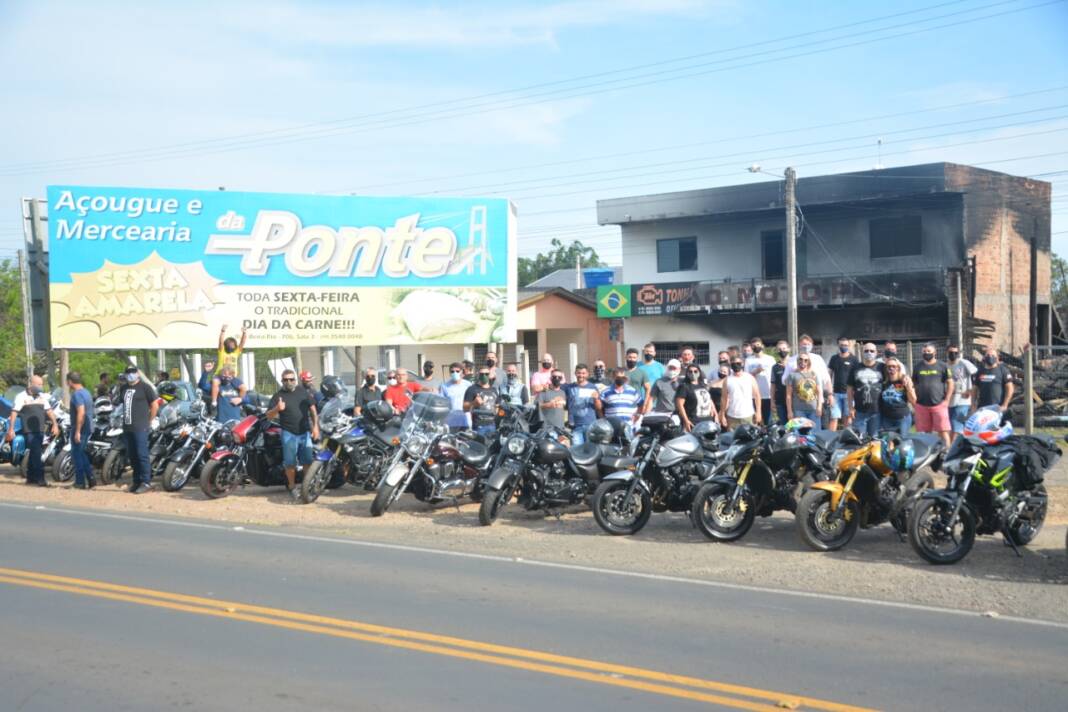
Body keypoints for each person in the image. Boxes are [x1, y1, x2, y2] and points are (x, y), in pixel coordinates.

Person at [266, 369, 318, 501]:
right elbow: (268, 416)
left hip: (304, 432)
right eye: (285, 380)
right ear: (282, 381)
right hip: (288, 433)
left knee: (307, 461)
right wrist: (277, 409)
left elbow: (312, 409)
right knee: (290, 463)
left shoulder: (303, 392)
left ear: (295, 380)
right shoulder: (278, 396)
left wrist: (316, 426)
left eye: (291, 379)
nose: (289, 382)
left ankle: (307, 486)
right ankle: (292, 487)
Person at [6, 375, 60, 487]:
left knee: (33, 454)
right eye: (39, 384)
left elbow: (49, 411)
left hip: (40, 429)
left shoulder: (42, 396)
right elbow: (14, 412)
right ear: (31, 384)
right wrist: (11, 429)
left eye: (41, 384)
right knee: (36, 454)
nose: (41, 386)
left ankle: (30, 478)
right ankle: (41, 479)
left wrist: (55, 424)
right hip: (29, 431)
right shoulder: (21, 397)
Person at [119, 366, 159, 494]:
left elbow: (154, 405)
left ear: (137, 374)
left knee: (142, 455)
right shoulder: (124, 388)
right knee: (132, 456)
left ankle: (146, 482)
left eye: (133, 372)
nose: (130, 375)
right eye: (128, 373)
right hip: (127, 427)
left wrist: (149, 420)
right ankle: (136, 481)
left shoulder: (145, 387)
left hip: (140, 427)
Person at [912, 343, 954, 447]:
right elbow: (913, 384)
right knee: (924, 434)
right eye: (924, 352)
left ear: (934, 353)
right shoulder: (918, 366)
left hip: (939, 405)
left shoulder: (943, 366)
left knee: (943, 431)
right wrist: (914, 401)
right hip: (922, 406)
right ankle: (926, 456)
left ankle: (946, 453)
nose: (926, 353)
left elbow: (950, 383)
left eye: (929, 352)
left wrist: (947, 400)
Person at [66, 371, 96, 489]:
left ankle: (80, 482)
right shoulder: (86, 392)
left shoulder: (77, 395)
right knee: (81, 453)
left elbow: (81, 412)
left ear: (69, 382)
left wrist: (77, 431)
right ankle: (91, 478)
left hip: (81, 428)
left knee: (77, 454)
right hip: (87, 427)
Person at [847, 343, 884, 437]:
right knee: (859, 440)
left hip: (877, 412)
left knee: (875, 440)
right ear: (862, 352)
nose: (869, 353)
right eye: (866, 351)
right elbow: (849, 388)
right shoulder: (855, 368)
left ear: (876, 353)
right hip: (859, 412)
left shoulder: (882, 367)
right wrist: (850, 407)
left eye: (872, 351)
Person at [564, 364, 602, 444]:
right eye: (579, 373)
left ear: (587, 374)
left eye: (583, 373)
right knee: (576, 452)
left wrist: (596, 399)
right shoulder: (569, 387)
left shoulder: (593, 387)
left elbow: (599, 407)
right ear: (575, 373)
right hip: (575, 426)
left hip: (590, 424)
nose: (581, 375)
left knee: (591, 451)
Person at [720, 356, 761, 429]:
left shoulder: (750, 378)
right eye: (733, 364)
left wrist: (758, 412)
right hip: (732, 417)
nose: (736, 365)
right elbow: (724, 399)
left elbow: (757, 396)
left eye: (738, 363)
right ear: (730, 365)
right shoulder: (727, 380)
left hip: (748, 415)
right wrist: (722, 415)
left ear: (742, 364)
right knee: (732, 439)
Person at [827, 337, 857, 431]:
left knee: (847, 418)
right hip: (836, 394)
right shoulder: (834, 358)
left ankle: (847, 440)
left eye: (845, 345)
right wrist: (830, 393)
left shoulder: (854, 359)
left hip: (849, 394)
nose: (843, 347)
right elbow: (829, 376)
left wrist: (855, 392)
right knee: (833, 418)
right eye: (841, 345)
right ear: (838, 346)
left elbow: (857, 377)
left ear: (849, 346)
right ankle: (829, 440)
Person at [878, 358, 915, 434]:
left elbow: (913, 400)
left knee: (902, 442)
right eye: (889, 366)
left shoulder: (904, 381)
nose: (891, 368)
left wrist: (909, 388)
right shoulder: (884, 382)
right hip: (887, 419)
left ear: (898, 367)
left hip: (902, 418)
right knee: (889, 442)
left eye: (894, 366)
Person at [675, 364, 717, 432]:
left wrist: (715, 413)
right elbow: (680, 405)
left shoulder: (703, 385)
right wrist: (686, 421)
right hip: (694, 422)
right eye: (690, 371)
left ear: (699, 372)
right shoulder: (684, 386)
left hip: (708, 420)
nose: (693, 373)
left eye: (695, 371)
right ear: (687, 373)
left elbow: (709, 399)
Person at [973, 347, 1015, 413]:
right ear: (984, 357)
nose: (990, 357)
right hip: (982, 408)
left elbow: (1010, 388)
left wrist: (1005, 405)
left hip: (997, 408)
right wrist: (973, 406)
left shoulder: (1003, 370)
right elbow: (975, 389)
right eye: (988, 355)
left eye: (993, 355)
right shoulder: (980, 371)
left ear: (997, 358)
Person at [947, 346, 978, 433]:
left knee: (956, 423)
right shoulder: (945, 366)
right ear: (947, 353)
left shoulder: (963, 363)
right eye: (951, 352)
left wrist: (970, 389)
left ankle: (952, 445)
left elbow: (976, 373)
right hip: (950, 400)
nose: (953, 354)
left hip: (962, 400)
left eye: (955, 353)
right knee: (951, 426)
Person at [745, 338, 775, 425]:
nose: (756, 347)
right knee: (757, 422)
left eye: (758, 345)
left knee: (768, 422)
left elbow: (774, 377)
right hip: (754, 396)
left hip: (768, 395)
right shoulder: (748, 360)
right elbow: (746, 377)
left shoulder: (770, 359)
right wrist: (756, 371)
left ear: (762, 346)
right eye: (754, 346)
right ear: (751, 347)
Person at [786, 353, 823, 423]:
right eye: (801, 359)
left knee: (816, 433)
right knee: (801, 433)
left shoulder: (813, 374)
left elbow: (819, 392)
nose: (803, 362)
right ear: (797, 360)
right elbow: (788, 395)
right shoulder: (792, 375)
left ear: (808, 362)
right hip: (799, 410)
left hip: (813, 409)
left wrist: (819, 407)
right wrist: (789, 411)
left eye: (806, 360)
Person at [464, 366, 501, 435]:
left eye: (486, 374)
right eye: (482, 374)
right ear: (478, 375)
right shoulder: (472, 389)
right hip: (478, 426)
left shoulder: (494, 390)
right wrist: (474, 403)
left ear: (489, 375)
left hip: (492, 425)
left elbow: (497, 406)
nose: (484, 376)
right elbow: (465, 408)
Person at [439, 363, 472, 430]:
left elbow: (472, 402)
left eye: (457, 371)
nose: (455, 373)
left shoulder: (468, 385)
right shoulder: (444, 386)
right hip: (451, 421)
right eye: (452, 371)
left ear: (462, 372)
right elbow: (441, 404)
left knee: (465, 439)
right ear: (449, 373)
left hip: (465, 420)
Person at [770, 341, 790, 424]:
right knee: (783, 425)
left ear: (789, 349)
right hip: (780, 401)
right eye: (779, 349)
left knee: (794, 426)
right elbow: (773, 385)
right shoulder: (775, 367)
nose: (782, 351)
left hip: (794, 401)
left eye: (784, 348)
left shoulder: (794, 364)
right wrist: (772, 401)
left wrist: (787, 368)